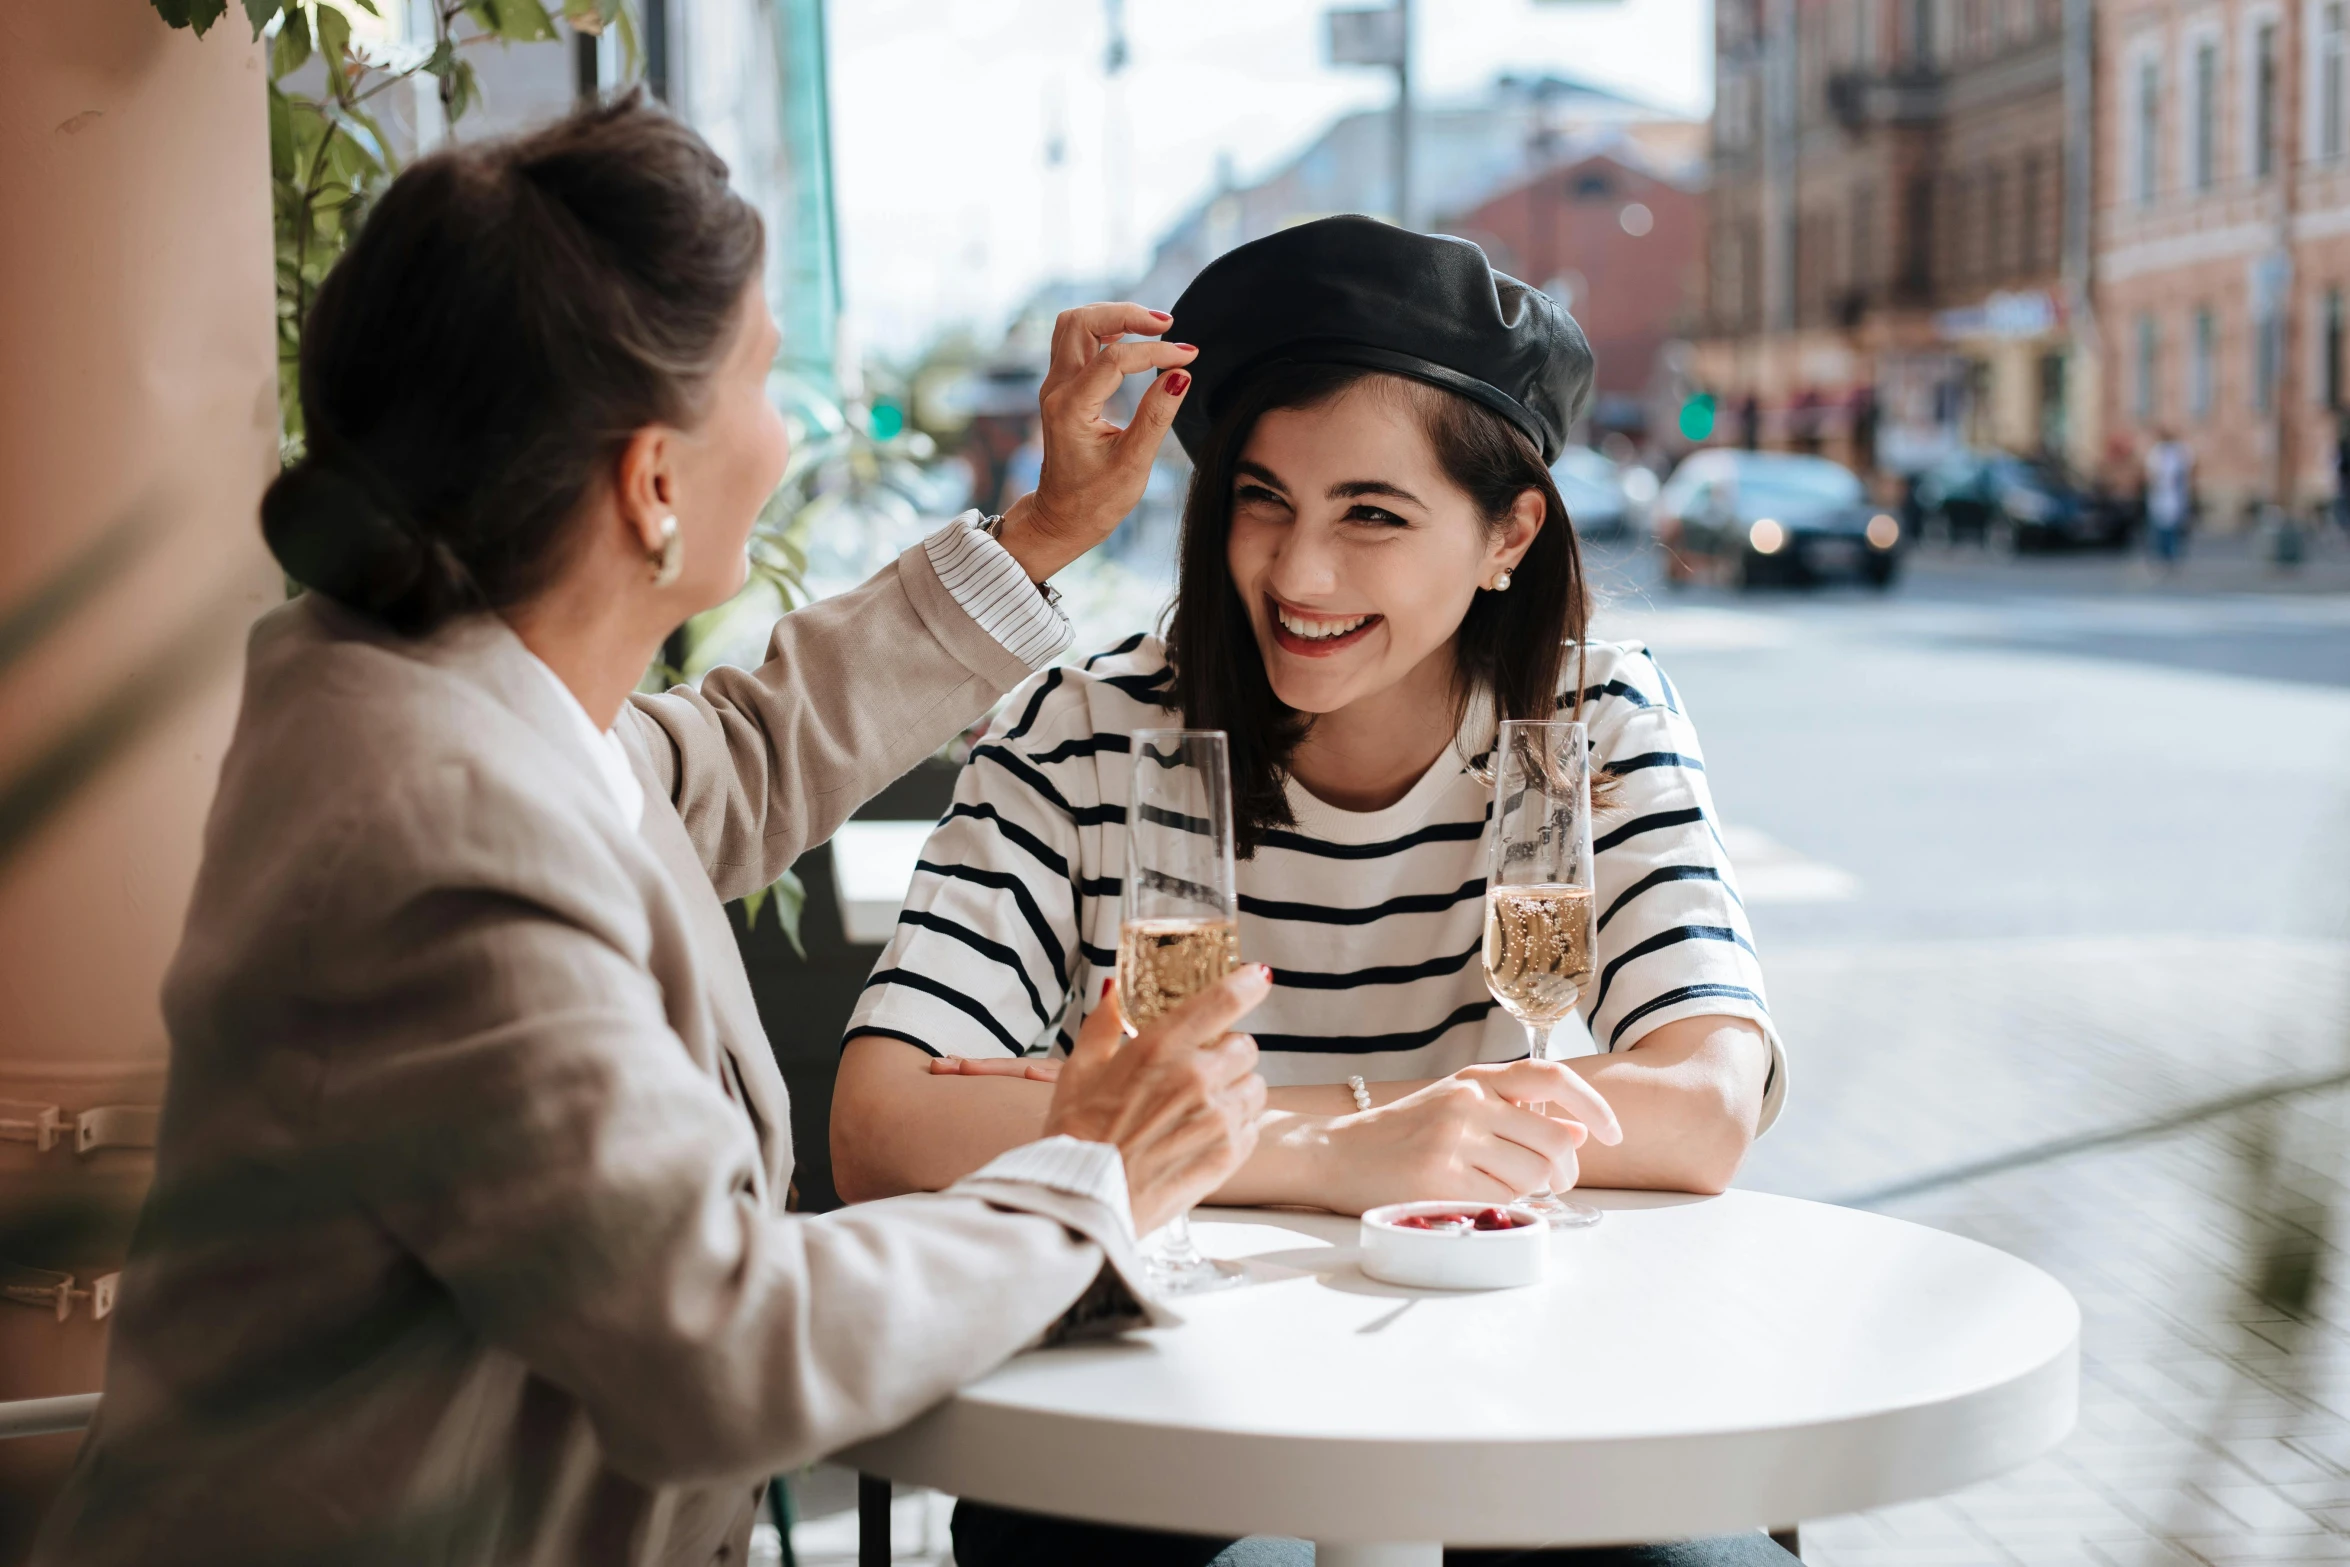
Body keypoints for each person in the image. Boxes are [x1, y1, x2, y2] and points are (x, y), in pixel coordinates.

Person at [34, 96, 1270, 1567]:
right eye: (761, 376)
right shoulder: (436, 834)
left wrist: (1045, 530)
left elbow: (732, 761)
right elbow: (722, 1344)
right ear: (653, 480)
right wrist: (1088, 1181)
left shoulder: (434, 690)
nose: (787, 425)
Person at [833, 217, 1788, 1566]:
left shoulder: (1591, 721)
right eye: (1260, 498)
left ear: (1509, 531)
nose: (1297, 573)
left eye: (1371, 515)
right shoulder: (1083, 723)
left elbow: (1702, 1105)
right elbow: (883, 1121)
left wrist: (1187, 1133)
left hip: (1495, 1394)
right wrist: (1344, 1149)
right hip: (1143, 1415)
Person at [2145, 428, 2193, 567]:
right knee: (2161, 527)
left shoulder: (2177, 453)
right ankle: (2164, 555)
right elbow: (2151, 474)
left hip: (2173, 496)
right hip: (2160, 495)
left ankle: (2171, 555)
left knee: (2172, 527)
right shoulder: (2156, 453)